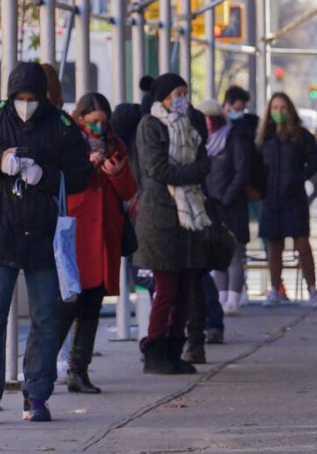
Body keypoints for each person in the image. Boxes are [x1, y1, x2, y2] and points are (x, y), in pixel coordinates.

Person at [0, 62, 91, 422]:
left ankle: (37, 394)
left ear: (43, 98)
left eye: (33, 98)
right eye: (20, 97)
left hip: (45, 237)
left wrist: (44, 175)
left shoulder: (62, 125)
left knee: (46, 316)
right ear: (10, 95)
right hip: (0, 232)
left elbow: (81, 175)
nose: (26, 103)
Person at [133, 73, 211, 375]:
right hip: (161, 218)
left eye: (185, 93)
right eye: (176, 93)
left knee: (185, 289)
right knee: (166, 289)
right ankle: (155, 351)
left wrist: (192, 171)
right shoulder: (149, 125)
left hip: (190, 215)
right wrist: (192, 172)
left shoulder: (192, 123)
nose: (182, 99)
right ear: (163, 97)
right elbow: (158, 169)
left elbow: (205, 162)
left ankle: (175, 350)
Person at [61, 92, 137, 393]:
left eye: (103, 122)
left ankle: (79, 370)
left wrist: (116, 175)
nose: (98, 128)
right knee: (67, 304)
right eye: (92, 122)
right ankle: (40, 371)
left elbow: (129, 189)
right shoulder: (70, 144)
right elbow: (65, 183)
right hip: (77, 233)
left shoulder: (116, 145)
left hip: (104, 233)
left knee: (93, 303)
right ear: (80, 119)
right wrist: (86, 164)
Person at [257, 93, 317, 308]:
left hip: (294, 196)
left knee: (302, 245)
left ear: (289, 109)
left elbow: (315, 160)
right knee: (274, 245)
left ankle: (312, 289)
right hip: (271, 197)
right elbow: (257, 164)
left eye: (282, 107)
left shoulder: (301, 135)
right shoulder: (265, 137)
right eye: (274, 108)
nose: (278, 112)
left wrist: (300, 178)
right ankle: (275, 289)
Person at [197, 99, 251, 317]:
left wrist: (227, 197)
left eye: (211, 118)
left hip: (232, 206)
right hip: (211, 207)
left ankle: (233, 298)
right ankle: (221, 297)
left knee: (235, 255)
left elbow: (241, 172)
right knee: (217, 255)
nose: (208, 123)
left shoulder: (234, 139)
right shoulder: (202, 142)